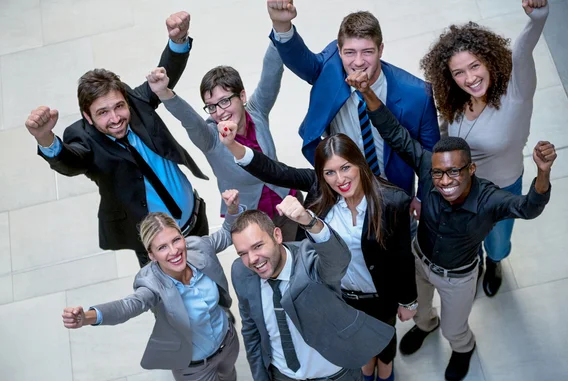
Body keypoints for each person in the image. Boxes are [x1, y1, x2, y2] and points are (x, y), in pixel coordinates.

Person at [348, 72, 556, 381]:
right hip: (420, 261)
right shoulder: (429, 168)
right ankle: (425, 325)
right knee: (419, 312)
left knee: (454, 328)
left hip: (458, 277)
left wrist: (542, 173)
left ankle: (464, 349)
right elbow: (394, 133)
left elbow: (528, 207)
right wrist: (367, 93)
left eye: (455, 172)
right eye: (439, 173)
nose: (445, 181)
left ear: (471, 169)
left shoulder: (489, 198)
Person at [219, 124, 416, 381]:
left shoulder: (392, 201)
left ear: (359, 163)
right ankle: (366, 364)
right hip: (337, 290)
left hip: (378, 291)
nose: (340, 179)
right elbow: (274, 170)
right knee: (351, 334)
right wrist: (232, 145)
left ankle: (386, 363)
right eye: (330, 172)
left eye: (346, 167)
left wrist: (408, 300)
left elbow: (403, 258)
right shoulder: (318, 191)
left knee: (383, 332)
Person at [25, 12, 209, 267]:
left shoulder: (136, 103)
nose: (115, 118)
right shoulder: (83, 138)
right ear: (87, 117)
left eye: (118, 106)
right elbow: (70, 161)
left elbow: (166, 76)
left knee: (215, 289)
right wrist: (45, 138)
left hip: (195, 220)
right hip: (157, 250)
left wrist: (178, 41)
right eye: (102, 112)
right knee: (173, 304)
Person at [265, 0, 441, 223]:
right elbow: (302, 60)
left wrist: (423, 198)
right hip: (343, 186)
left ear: (381, 50)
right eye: (349, 52)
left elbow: (431, 156)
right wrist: (282, 25)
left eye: (367, 52)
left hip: (393, 189)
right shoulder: (330, 67)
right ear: (339, 50)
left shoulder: (417, 95)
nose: (358, 62)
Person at [419, 0, 549, 297]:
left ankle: (494, 263)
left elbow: (522, 50)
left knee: (498, 239)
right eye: (459, 73)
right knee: (465, 236)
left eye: (475, 65)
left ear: (490, 60)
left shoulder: (516, 93)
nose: (470, 78)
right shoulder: (457, 99)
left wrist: (538, 17)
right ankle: (475, 261)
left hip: (501, 187)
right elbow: (444, 134)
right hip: (460, 187)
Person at [62, 190, 245, 381]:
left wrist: (232, 209)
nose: (174, 251)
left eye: (176, 240)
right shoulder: (151, 283)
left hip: (227, 341)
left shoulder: (198, 247)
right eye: (162, 247)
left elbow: (225, 234)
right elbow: (127, 306)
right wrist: (87, 317)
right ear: (151, 255)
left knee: (230, 379)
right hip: (195, 368)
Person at [230, 199, 396, 381]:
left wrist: (308, 221)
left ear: (277, 235)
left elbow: (338, 259)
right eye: (243, 253)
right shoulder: (241, 272)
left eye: (258, 246)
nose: (252, 259)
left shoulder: (310, 258)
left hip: (336, 379)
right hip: (284, 380)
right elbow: (251, 330)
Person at [145, 42, 302, 241]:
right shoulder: (210, 138)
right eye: (211, 106)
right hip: (251, 222)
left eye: (225, 101)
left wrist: (280, 31)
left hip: (287, 204)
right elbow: (189, 119)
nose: (219, 112)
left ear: (242, 96)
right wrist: (164, 93)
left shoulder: (256, 112)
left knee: (304, 259)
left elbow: (270, 76)